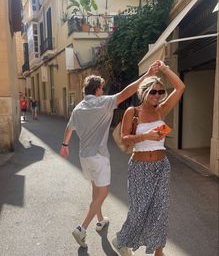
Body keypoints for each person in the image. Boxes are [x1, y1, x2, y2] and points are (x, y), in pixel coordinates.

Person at [59, 61, 160, 249]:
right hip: (99, 156)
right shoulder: (104, 102)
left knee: (95, 189)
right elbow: (127, 92)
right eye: (102, 88)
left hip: (84, 156)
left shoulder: (78, 108)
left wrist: (65, 145)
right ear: (98, 89)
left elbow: (68, 128)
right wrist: (147, 76)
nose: (103, 91)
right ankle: (82, 227)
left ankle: (100, 220)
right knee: (103, 192)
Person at [112, 60, 185, 256]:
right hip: (139, 167)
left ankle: (158, 250)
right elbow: (125, 138)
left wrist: (164, 69)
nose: (157, 96)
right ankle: (122, 240)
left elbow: (180, 87)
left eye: (160, 92)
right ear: (143, 92)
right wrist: (145, 136)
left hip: (161, 166)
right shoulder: (132, 112)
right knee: (139, 210)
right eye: (153, 92)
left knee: (159, 211)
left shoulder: (161, 109)